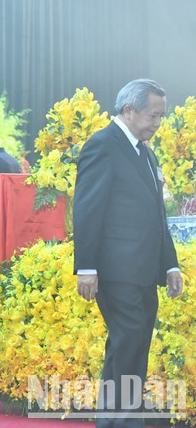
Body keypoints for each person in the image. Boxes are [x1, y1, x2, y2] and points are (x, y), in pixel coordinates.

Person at [73, 79, 182, 427]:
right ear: (129, 109)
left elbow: (156, 214)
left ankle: (121, 418)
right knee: (128, 342)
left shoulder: (144, 151)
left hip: (143, 270)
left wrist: (170, 265)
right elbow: (88, 209)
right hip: (116, 269)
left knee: (132, 344)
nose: (157, 124)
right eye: (153, 115)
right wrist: (86, 267)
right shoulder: (103, 145)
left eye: (161, 117)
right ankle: (120, 420)